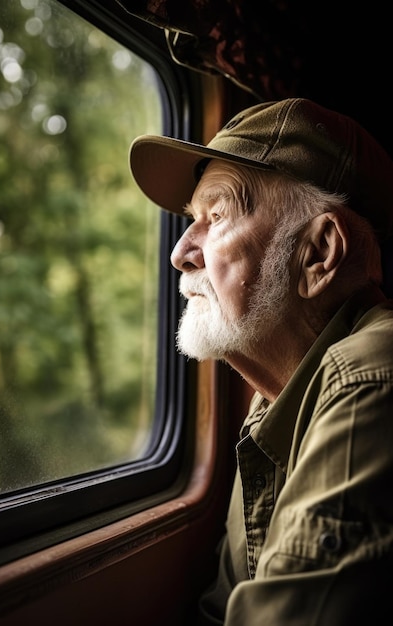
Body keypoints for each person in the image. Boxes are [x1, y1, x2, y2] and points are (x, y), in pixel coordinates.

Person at [129, 98, 393, 625]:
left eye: (217, 215)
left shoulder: (372, 377)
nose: (180, 251)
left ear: (318, 254)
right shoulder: (273, 400)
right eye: (191, 221)